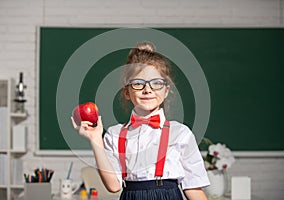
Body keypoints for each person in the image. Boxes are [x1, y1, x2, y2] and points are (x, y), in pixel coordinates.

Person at [71, 41, 210, 200]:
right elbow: (114, 186)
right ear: (127, 92)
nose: (147, 89)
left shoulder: (181, 134)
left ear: (166, 90)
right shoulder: (114, 135)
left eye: (156, 83)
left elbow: (193, 189)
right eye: (138, 83)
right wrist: (96, 140)